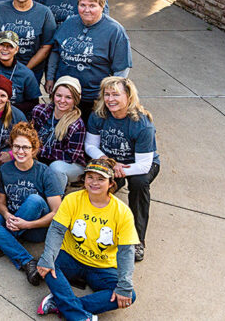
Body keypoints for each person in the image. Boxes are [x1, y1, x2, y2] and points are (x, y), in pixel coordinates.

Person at [35, 158, 138, 319]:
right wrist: (48, 257)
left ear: (111, 183)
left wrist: (124, 284)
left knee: (128, 295)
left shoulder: (122, 212)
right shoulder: (72, 199)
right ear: (84, 179)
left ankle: (62, 303)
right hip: (71, 258)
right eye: (90, 177)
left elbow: (127, 251)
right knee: (47, 264)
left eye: (101, 179)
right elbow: (56, 230)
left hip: (102, 266)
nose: (94, 182)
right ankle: (80, 316)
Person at [0, 123, 63, 285]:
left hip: (36, 228)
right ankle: (27, 261)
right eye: (16, 146)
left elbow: (57, 213)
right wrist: (7, 215)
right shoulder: (5, 170)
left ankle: (1, 242)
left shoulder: (45, 172)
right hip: (13, 222)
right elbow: (0, 202)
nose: (20, 151)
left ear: (34, 149)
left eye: (25, 147)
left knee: (35, 200)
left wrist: (28, 224)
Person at [85, 77, 158, 261]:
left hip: (138, 164)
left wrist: (119, 170)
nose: (110, 99)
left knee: (139, 183)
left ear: (129, 96)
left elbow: (144, 165)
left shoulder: (142, 123)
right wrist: (108, 162)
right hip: (110, 162)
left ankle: (138, 240)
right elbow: (90, 146)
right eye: (107, 94)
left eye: (116, 94)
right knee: (97, 183)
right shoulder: (99, 114)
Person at [48, 0, 132, 114]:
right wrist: (50, 78)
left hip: (93, 97)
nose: (86, 10)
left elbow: (121, 68)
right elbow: (55, 52)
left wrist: (111, 96)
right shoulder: (69, 23)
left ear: (102, 6)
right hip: (65, 95)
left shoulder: (114, 30)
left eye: (92, 6)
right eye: (82, 5)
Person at [0, 0, 56, 80]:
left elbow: (46, 46)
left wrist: (25, 70)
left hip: (31, 69)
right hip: (0, 68)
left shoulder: (44, 13)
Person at [32, 76, 87, 191]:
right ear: (53, 95)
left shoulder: (76, 124)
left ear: (75, 100)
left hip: (70, 164)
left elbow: (70, 156)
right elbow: (29, 135)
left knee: (55, 167)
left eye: (68, 97)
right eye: (59, 95)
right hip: (41, 156)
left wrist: (39, 150)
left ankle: (57, 198)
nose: (62, 101)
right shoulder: (40, 110)